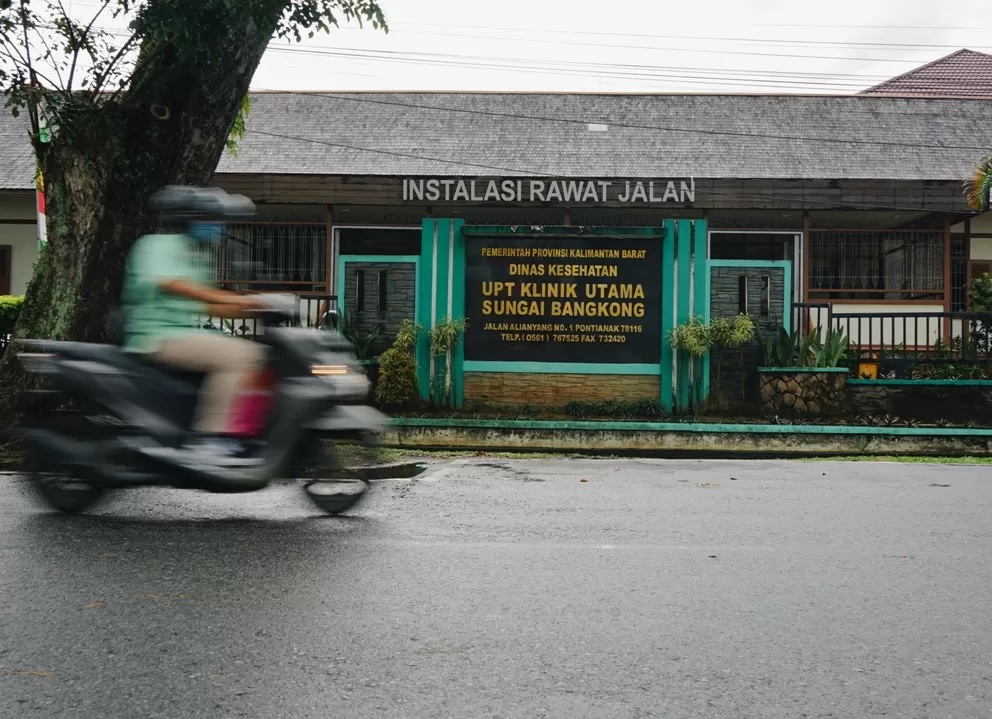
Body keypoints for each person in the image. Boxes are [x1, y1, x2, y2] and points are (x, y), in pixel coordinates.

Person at [121, 185, 268, 464]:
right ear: (190, 219)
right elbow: (172, 284)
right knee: (241, 357)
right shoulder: (156, 245)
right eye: (212, 221)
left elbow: (208, 306)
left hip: (184, 334)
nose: (219, 228)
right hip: (157, 336)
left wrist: (255, 307)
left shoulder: (197, 256)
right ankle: (210, 439)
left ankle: (242, 434)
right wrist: (225, 297)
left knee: (256, 352)